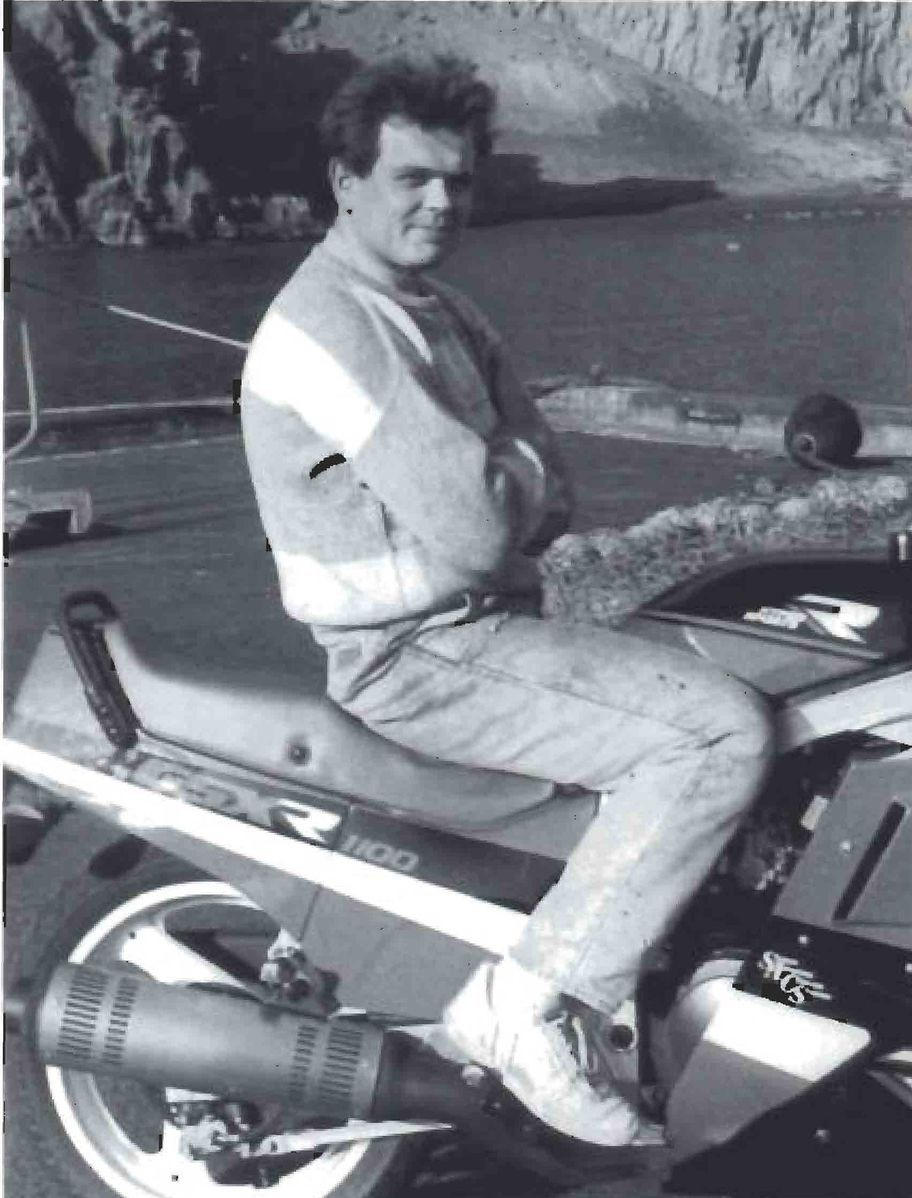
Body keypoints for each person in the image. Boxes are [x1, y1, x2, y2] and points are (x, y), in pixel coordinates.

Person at [241, 54, 774, 1147]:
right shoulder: (342, 324)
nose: (442, 200)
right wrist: (507, 478)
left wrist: (505, 478)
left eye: (459, 180)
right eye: (413, 177)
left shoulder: (433, 307)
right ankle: (528, 1006)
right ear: (347, 182)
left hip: (476, 627)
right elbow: (488, 523)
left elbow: (548, 486)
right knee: (717, 733)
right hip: (413, 655)